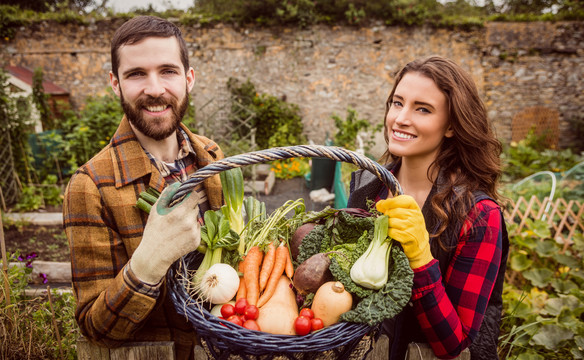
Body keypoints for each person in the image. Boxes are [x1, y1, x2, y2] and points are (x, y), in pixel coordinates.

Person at [63, 16, 224, 359]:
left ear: (188, 79)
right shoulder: (89, 187)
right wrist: (149, 262)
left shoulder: (211, 155)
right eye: (136, 74)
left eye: (168, 70)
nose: (154, 88)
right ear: (115, 84)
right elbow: (96, 329)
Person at [348, 56, 509, 360]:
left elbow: (454, 344)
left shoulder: (478, 215)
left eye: (422, 109)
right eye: (397, 103)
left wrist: (422, 259)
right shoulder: (368, 188)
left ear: (450, 126)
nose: (401, 118)